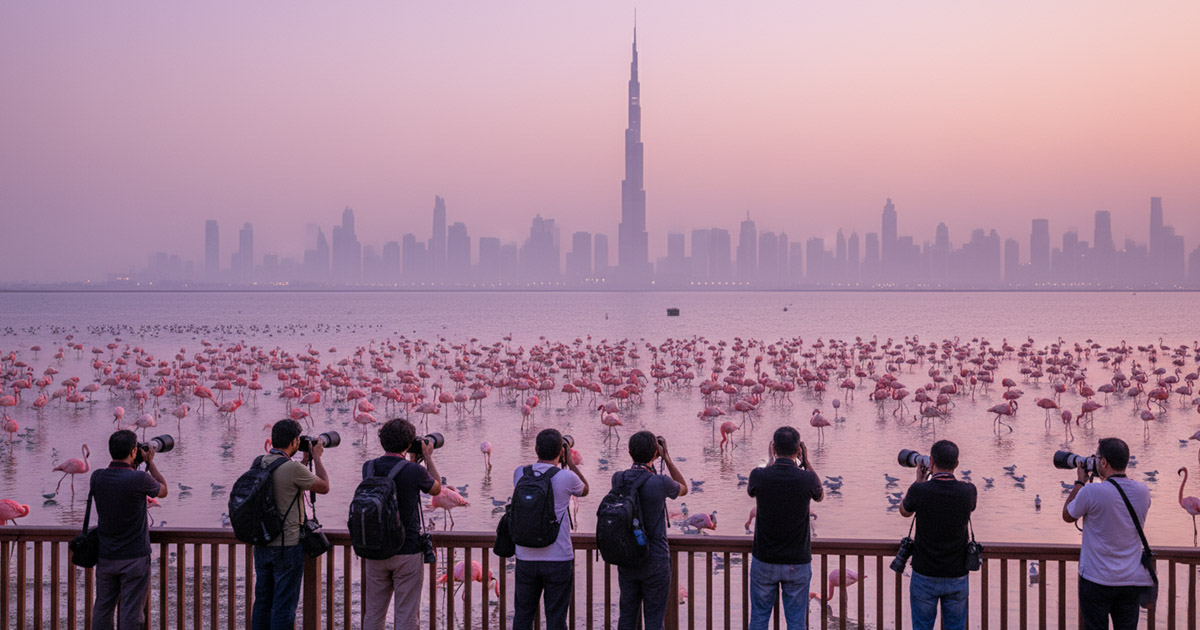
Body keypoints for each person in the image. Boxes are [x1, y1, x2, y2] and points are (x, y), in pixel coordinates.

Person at [1062, 437, 1153, 630]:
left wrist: (1080, 482)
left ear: (1103, 462)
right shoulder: (1143, 491)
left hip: (1096, 580)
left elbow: (1068, 515)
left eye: (1097, 458)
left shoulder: (1092, 491)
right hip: (1130, 580)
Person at [362, 418, 442, 630]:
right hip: (407, 551)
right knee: (406, 616)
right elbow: (436, 489)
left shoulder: (368, 467)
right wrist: (427, 457)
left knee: (373, 614)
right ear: (409, 444)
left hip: (374, 550)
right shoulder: (414, 471)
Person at [251, 419, 330, 630]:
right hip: (287, 547)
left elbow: (283, 480)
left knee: (262, 604)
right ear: (295, 441)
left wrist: (303, 462)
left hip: (261, 544)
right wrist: (316, 458)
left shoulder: (259, 462)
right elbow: (324, 486)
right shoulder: (293, 468)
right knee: (283, 607)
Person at [90, 429, 168, 630]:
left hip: (106, 556)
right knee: (131, 613)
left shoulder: (97, 477)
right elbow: (163, 489)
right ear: (134, 451)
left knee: (103, 608)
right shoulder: (139, 480)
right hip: (134, 557)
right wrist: (150, 463)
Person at [747, 426, 823, 630]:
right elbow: (820, 495)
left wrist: (771, 461)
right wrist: (806, 462)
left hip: (764, 560)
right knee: (797, 623)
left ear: (773, 448)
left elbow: (752, 491)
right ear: (799, 449)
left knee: (759, 620)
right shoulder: (807, 478)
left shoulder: (758, 476)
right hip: (797, 562)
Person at [512, 428, 588, 630]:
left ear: (536, 448)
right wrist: (570, 464)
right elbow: (585, 489)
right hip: (558, 559)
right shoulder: (566, 477)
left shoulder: (520, 473)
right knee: (556, 620)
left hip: (525, 557)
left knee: (522, 617)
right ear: (561, 452)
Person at [899, 440, 977, 630]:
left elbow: (904, 511)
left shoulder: (920, 490)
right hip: (957, 574)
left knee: (922, 627)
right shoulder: (968, 491)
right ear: (956, 464)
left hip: (924, 573)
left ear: (931, 462)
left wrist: (919, 481)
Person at [613, 431, 687, 630]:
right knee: (654, 621)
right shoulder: (660, 482)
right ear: (655, 453)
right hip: (655, 559)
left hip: (627, 558)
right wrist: (667, 458)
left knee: (627, 618)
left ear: (630, 453)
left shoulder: (618, 478)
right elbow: (683, 488)